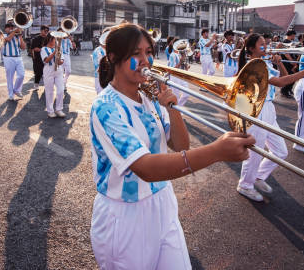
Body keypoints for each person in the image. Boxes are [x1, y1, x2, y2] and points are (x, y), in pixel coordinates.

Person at [89, 23, 255, 269]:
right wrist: (216, 151)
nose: (145, 61)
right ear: (113, 57)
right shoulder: (105, 107)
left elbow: (180, 145)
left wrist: (172, 109)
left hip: (163, 203)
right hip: (124, 215)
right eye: (136, 54)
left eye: (148, 53)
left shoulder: (148, 97)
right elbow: (146, 168)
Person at [236, 33, 304, 201]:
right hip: (257, 110)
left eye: (265, 44)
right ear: (252, 48)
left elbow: (283, 78)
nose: (266, 47)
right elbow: (281, 83)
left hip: (268, 109)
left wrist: (280, 62)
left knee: (281, 151)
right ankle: (245, 185)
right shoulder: (255, 64)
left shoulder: (264, 62)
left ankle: (258, 177)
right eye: (262, 44)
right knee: (255, 152)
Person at [40, 33, 65, 118]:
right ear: (50, 39)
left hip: (58, 70)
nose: (57, 42)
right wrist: (55, 52)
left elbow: (61, 61)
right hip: (48, 71)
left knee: (61, 90)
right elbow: (46, 60)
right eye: (55, 39)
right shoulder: (43, 49)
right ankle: (50, 110)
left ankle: (59, 109)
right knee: (49, 92)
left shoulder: (59, 48)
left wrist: (59, 59)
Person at [2, 22, 26, 101]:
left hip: (18, 58)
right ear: (5, 29)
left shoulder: (17, 36)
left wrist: (20, 36)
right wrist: (14, 32)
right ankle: (11, 94)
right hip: (8, 58)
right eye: (9, 27)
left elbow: (23, 47)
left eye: (12, 27)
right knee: (10, 77)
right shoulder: (3, 35)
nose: (11, 28)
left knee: (21, 75)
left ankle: (16, 90)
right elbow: (8, 39)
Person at [167, 41, 189, 106]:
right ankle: (176, 110)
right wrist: (180, 62)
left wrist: (186, 67)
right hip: (174, 77)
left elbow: (184, 68)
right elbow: (172, 69)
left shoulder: (180, 55)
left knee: (186, 94)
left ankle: (178, 108)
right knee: (176, 96)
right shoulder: (172, 55)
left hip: (182, 76)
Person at [280, 30, 297, 98]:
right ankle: (285, 91)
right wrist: (292, 61)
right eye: (294, 35)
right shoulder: (286, 42)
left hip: (288, 62)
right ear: (292, 35)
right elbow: (286, 54)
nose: (294, 37)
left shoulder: (288, 42)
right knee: (290, 77)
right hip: (287, 62)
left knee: (292, 77)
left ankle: (288, 89)